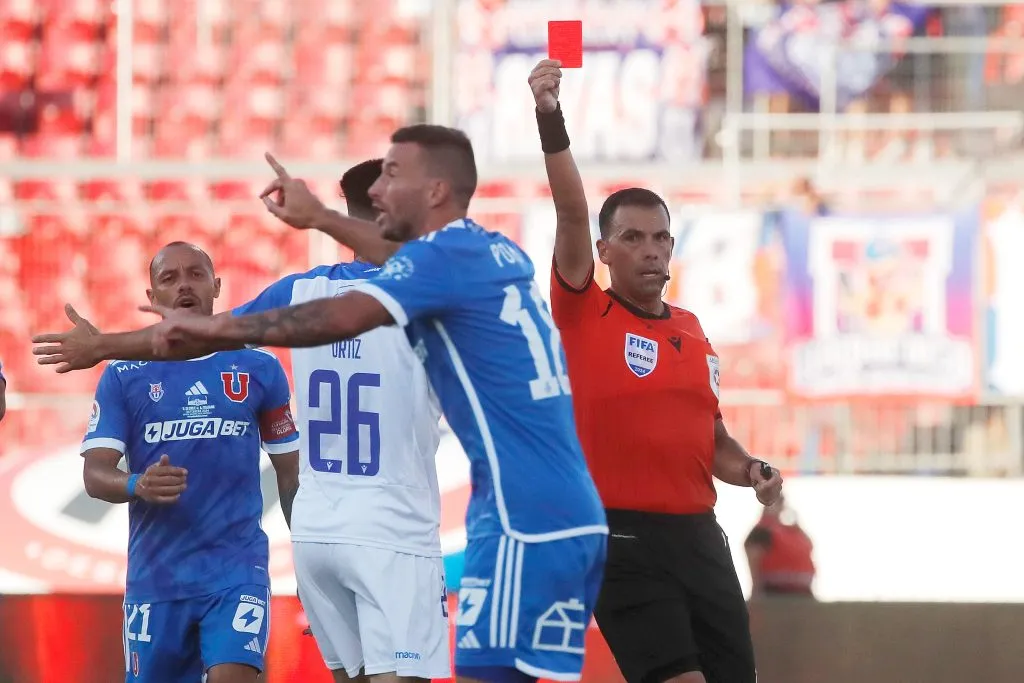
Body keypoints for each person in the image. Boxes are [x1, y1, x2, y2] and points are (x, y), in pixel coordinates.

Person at [79, 124, 609, 683]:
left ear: (430, 191)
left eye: (394, 174)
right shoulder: (485, 255)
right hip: (418, 526)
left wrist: (109, 344)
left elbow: (307, 321)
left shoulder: (341, 284)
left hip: (327, 531)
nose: (382, 189)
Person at [34, 159, 453, 683]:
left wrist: (102, 344)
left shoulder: (296, 300)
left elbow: (211, 344)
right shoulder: (433, 295)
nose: (185, 287)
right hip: (390, 531)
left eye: (195, 276)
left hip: (309, 542)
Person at [528, 58, 783, 683]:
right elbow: (569, 210)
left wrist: (750, 470)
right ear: (604, 250)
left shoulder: (692, 330)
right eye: (634, 238)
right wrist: (549, 117)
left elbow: (711, 439)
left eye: (661, 238)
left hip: (700, 537)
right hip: (620, 538)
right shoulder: (585, 311)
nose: (651, 250)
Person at [77, 242, 301, 683]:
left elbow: (290, 475)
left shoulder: (260, 368)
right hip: (156, 581)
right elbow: (94, 474)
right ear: (152, 295)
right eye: (169, 278)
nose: (184, 285)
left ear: (216, 286)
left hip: (237, 571)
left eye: (196, 274)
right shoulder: (124, 374)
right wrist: (136, 484)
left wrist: (309, 560)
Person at [744, 495, 816, 599]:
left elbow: (809, 546)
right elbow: (753, 553)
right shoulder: (763, 532)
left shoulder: (795, 532)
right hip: (776, 594)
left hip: (803, 594)